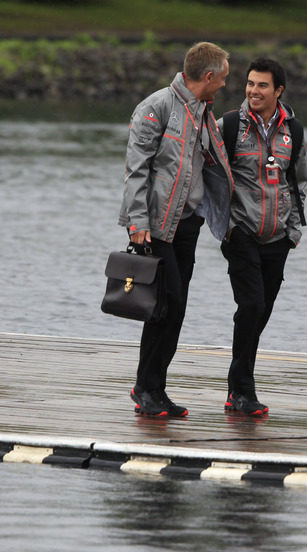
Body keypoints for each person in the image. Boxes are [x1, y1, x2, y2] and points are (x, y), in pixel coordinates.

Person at [118, 42, 234, 417]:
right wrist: (137, 224)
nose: (225, 85)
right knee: (163, 307)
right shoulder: (156, 108)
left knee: (175, 309)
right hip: (156, 227)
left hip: (188, 225)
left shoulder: (202, 111)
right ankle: (143, 388)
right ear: (209, 76)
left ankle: (157, 390)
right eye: (225, 78)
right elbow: (136, 169)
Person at [219, 57, 307, 417]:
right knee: (251, 306)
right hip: (240, 232)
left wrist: (294, 230)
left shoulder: (294, 130)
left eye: (262, 85)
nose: (254, 91)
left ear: (278, 91)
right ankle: (241, 392)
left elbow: (298, 180)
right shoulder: (229, 125)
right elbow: (211, 177)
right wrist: (224, 227)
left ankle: (238, 389)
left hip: (278, 237)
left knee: (260, 312)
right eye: (250, 84)